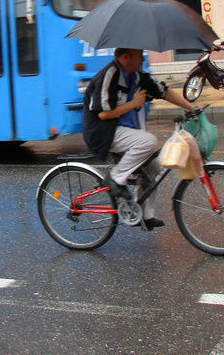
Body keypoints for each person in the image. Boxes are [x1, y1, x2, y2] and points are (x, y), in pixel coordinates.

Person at [82, 48, 197, 229]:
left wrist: (191, 107)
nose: (143, 57)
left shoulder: (138, 76)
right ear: (125, 57)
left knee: (155, 168)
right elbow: (103, 114)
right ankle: (116, 178)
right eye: (138, 53)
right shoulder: (108, 76)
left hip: (127, 133)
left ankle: (144, 215)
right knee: (148, 141)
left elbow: (164, 92)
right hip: (103, 133)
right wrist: (132, 104)